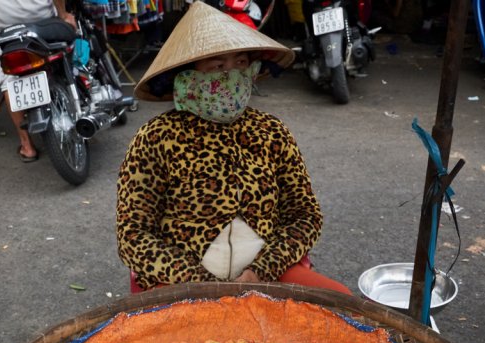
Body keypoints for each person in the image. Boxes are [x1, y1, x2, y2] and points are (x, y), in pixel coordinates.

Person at [116, 2, 351, 294]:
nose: (231, 75)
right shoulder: (154, 138)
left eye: (240, 63)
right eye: (217, 66)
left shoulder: (272, 132)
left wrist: (262, 269)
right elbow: (133, 234)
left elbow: (305, 216)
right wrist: (197, 281)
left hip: (267, 271)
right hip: (183, 281)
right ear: (188, 75)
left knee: (342, 302)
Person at [0, 0, 75, 162]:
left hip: (0, 24)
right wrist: (63, 14)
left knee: (8, 82)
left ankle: (27, 145)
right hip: (39, 17)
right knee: (64, 49)